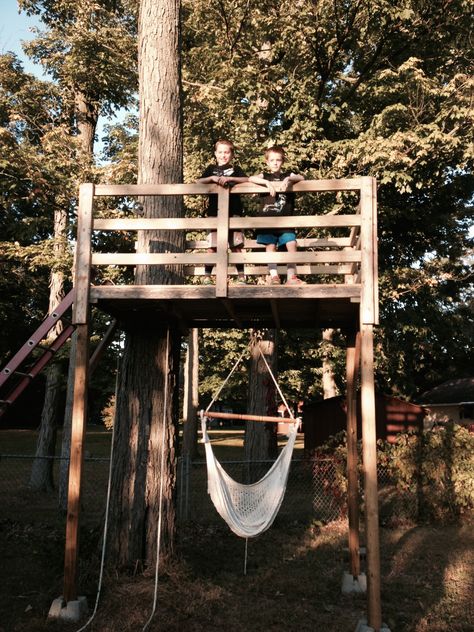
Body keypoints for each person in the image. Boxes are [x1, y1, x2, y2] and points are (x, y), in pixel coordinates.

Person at [249, 145, 306, 285]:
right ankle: (274, 276)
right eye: (272, 160)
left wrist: (288, 180)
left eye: (278, 160)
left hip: (285, 221)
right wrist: (267, 183)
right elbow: (251, 178)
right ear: (267, 162)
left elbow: (302, 177)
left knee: (291, 242)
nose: (275, 163)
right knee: (270, 246)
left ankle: (292, 276)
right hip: (267, 220)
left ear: (283, 161)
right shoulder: (265, 176)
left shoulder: (288, 175)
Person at [197, 139, 248, 285]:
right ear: (215, 153)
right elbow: (198, 181)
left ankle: (241, 276)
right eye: (220, 152)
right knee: (213, 245)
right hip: (215, 212)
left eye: (226, 152)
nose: (223, 155)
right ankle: (207, 276)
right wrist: (212, 178)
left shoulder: (235, 169)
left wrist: (231, 178)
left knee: (236, 245)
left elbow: (247, 179)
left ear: (231, 154)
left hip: (234, 212)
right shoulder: (210, 169)